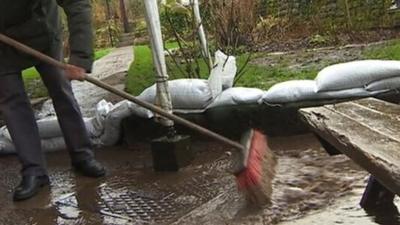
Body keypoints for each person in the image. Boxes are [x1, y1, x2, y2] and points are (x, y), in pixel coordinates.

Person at [0, 0, 106, 201]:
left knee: (61, 89)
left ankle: (82, 156)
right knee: (12, 104)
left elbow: (78, 4)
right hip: (3, 45)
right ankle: (34, 171)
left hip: (43, 33)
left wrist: (80, 58)